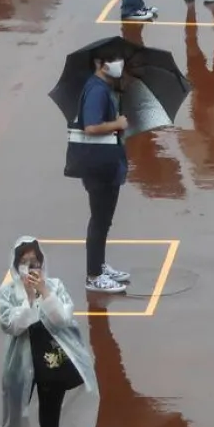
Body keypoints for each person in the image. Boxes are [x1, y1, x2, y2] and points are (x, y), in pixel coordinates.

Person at [0, 238, 99, 427]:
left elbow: (63, 319)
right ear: (16, 266)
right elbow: (11, 326)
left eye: (34, 262)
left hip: (52, 365)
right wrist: (28, 299)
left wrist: (44, 293)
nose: (30, 267)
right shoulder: (6, 293)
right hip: (19, 367)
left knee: (50, 423)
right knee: (11, 420)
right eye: (24, 262)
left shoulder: (55, 286)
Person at [73, 50, 133, 293]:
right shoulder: (97, 90)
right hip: (98, 166)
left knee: (104, 220)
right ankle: (94, 275)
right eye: (113, 59)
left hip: (105, 163)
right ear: (99, 63)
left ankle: (99, 265)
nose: (118, 63)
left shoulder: (103, 87)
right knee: (99, 220)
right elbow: (90, 126)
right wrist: (117, 124)